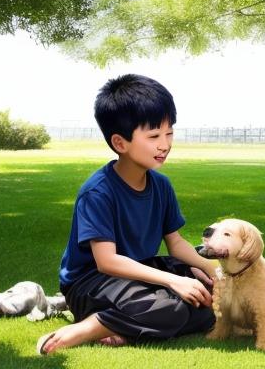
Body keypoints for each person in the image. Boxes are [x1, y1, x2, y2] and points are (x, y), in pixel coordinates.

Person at [37, 74, 216, 355]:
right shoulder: (98, 192)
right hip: (90, 283)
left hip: (139, 269)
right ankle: (94, 325)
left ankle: (128, 327)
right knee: (173, 308)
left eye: (169, 133)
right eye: (154, 135)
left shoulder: (161, 185)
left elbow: (177, 243)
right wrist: (173, 281)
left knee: (210, 295)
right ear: (120, 143)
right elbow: (106, 261)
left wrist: (210, 269)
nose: (165, 144)